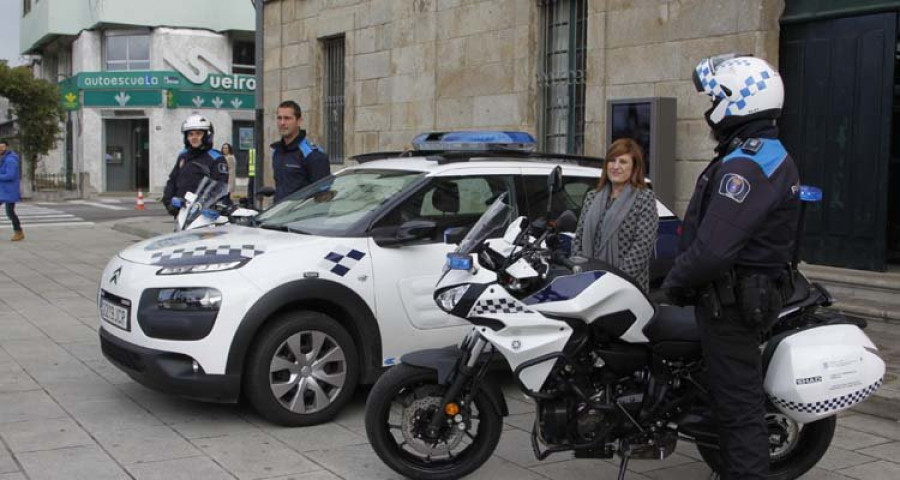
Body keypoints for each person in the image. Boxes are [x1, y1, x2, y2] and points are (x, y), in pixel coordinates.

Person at [662, 54, 800, 480]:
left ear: (737, 101)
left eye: (714, 97)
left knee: (739, 413)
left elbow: (714, 250)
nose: (708, 108)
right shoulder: (759, 154)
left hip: (732, 306)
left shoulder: (747, 164)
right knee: (726, 403)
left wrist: (674, 284)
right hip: (735, 297)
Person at [572, 138, 658, 292]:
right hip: (587, 284)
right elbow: (578, 238)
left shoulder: (644, 198)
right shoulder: (592, 196)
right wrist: (582, 272)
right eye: (612, 160)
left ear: (634, 167)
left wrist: (613, 281)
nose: (616, 166)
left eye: (623, 162)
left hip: (625, 287)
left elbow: (641, 248)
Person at [162, 114, 229, 217]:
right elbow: (172, 181)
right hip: (182, 213)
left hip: (203, 214)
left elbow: (220, 188)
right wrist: (169, 203)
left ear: (207, 135)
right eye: (190, 134)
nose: (194, 137)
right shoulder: (183, 156)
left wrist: (209, 206)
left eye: (198, 134)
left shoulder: (216, 158)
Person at [272, 100, 329, 202]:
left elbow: (324, 197)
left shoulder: (313, 155)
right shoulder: (277, 152)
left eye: (287, 118)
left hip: (302, 216)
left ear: (299, 121)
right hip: (280, 215)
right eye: (279, 118)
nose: (282, 123)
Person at [0, 139, 24, 241]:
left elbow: (10, 175)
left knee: (10, 212)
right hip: (3, 190)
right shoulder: (3, 159)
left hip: (10, 191)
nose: (0, 149)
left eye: (2, 147)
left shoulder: (10, 160)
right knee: (10, 212)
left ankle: (18, 231)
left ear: (6, 147)